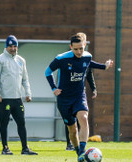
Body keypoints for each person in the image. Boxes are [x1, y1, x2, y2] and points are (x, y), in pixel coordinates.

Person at [45, 33, 113, 161]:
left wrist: (105, 66)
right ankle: (79, 154)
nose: (79, 51)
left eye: (81, 48)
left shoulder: (87, 56)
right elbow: (47, 72)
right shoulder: (61, 59)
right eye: (76, 49)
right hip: (64, 99)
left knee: (83, 118)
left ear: (84, 46)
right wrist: (54, 88)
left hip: (79, 96)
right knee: (72, 129)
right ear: (71, 47)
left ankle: (83, 151)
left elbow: (90, 64)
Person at [0, 35, 38, 155]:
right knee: (4, 123)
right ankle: (5, 148)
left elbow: (25, 79)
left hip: (17, 99)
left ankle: (25, 148)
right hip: (5, 99)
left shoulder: (21, 60)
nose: (13, 48)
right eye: (10, 46)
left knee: (21, 122)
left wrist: (28, 93)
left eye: (15, 46)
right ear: (6, 47)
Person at [65, 68, 97, 151]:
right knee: (70, 122)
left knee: (82, 118)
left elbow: (89, 73)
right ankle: (70, 144)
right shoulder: (66, 60)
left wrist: (93, 88)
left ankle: (80, 144)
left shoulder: (86, 59)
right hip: (67, 95)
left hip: (79, 95)